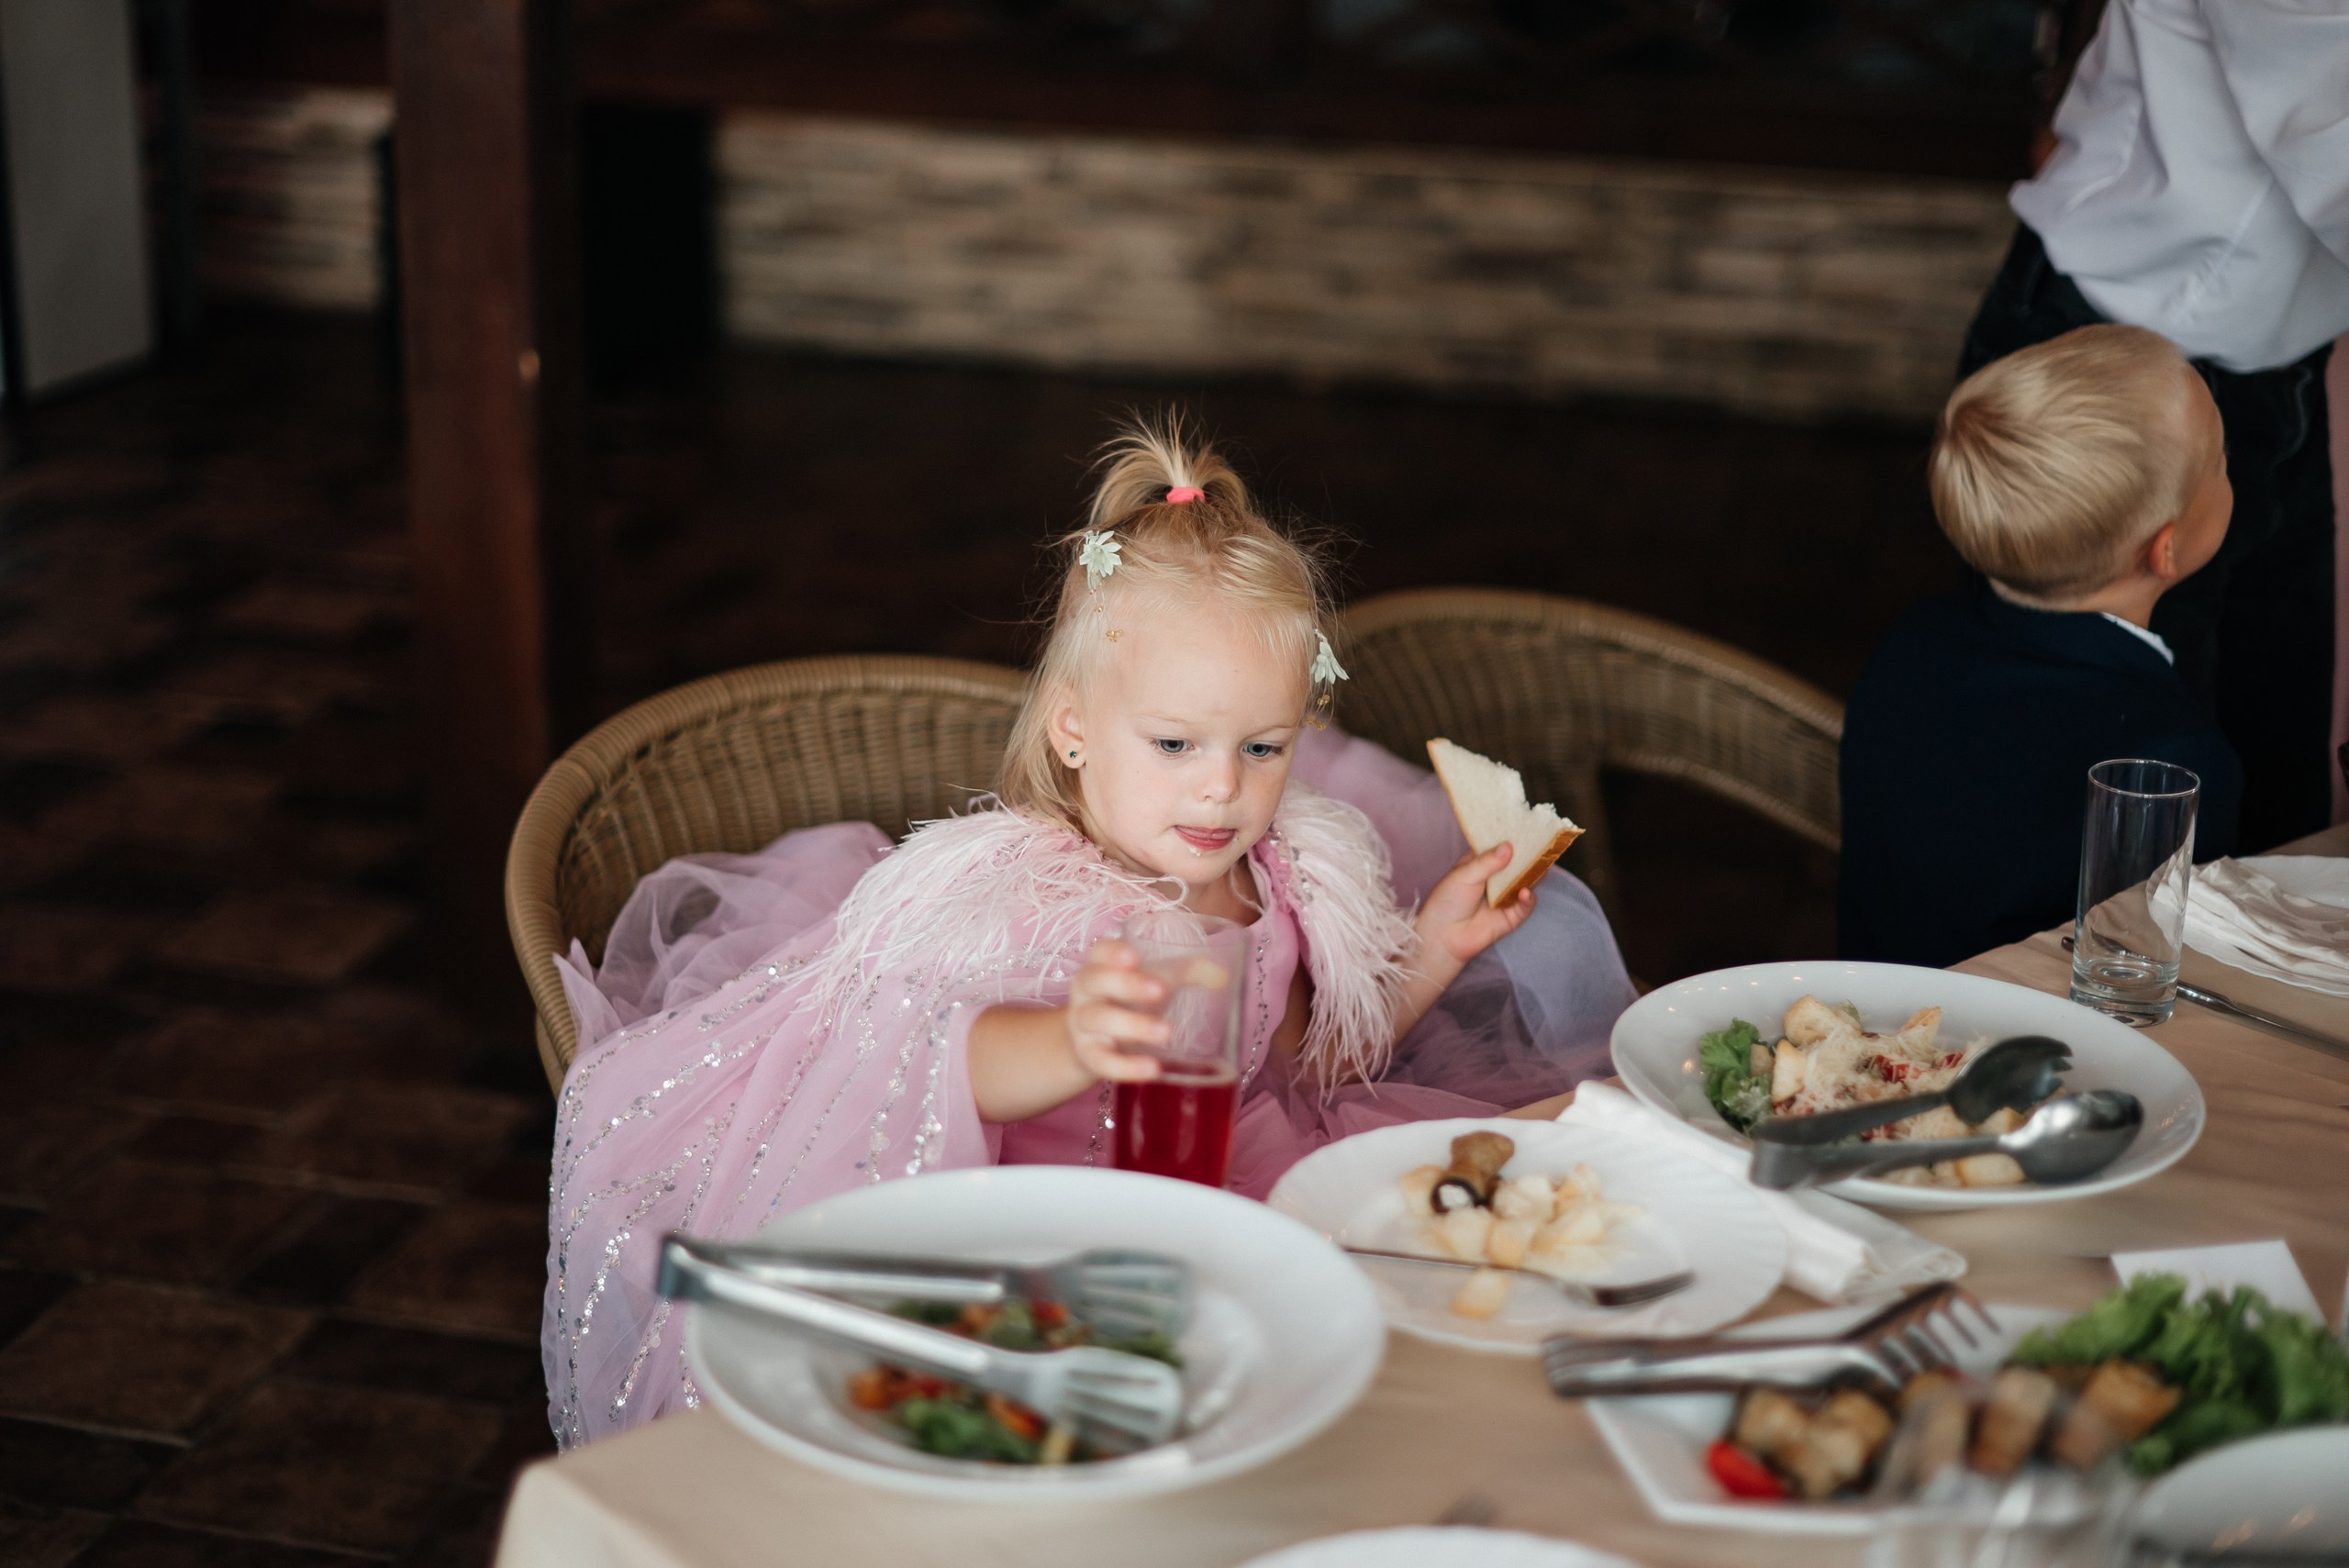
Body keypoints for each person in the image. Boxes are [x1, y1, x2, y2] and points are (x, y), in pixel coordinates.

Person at [543, 417, 1636, 1446]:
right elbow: (935, 1053)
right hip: (1058, 1238)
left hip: (1246, 1188)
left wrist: (1436, 946)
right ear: (1073, 730)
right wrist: (1070, 1038)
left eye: (1261, 748)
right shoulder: (1022, 887)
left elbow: (1305, 1063)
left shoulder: (1278, 877)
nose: (1220, 788)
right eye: (1173, 744)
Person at [1964, 0, 2348, 851]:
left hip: (2275, 354)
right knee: (2108, 784)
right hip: (2122, 342)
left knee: (2271, 747)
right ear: (2161, 547)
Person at [1840, 326, 2243, 968]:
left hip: (1872, 995)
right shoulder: (2170, 763)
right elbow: (2146, 973)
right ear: (2164, 550)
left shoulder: (1916, 636)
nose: (2231, 465)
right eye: (2221, 459)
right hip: (2016, 1026)